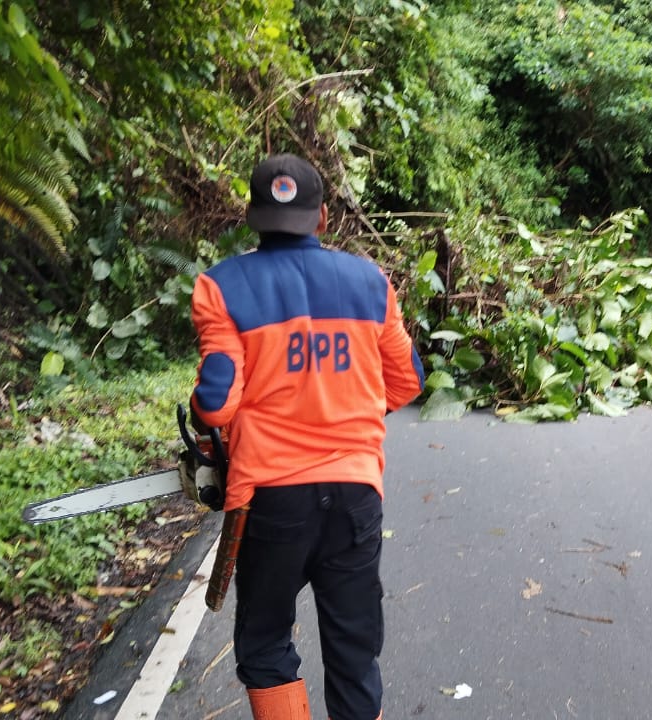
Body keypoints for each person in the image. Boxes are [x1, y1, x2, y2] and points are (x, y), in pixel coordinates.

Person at [188, 153, 424, 720]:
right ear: (321, 220)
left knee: (266, 644)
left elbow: (216, 407)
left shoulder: (220, 287)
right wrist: (352, 409)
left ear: (254, 218)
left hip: (270, 503)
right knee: (354, 644)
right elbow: (408, 381)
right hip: (355, 495)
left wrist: (207, 410)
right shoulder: (370, 282)